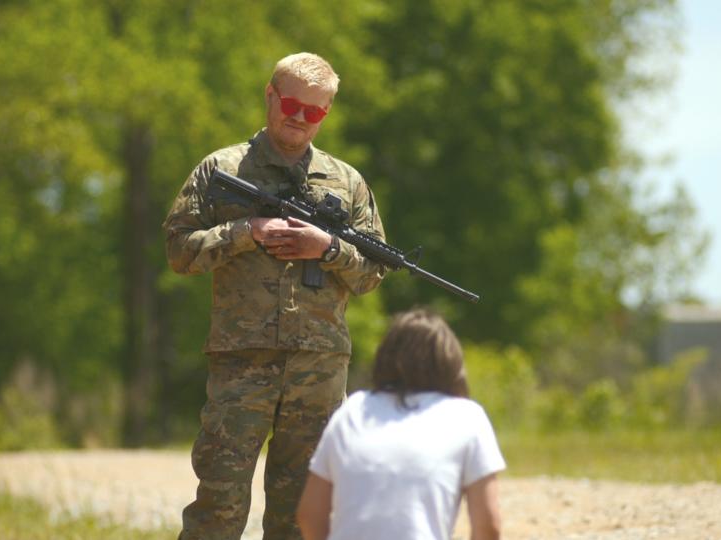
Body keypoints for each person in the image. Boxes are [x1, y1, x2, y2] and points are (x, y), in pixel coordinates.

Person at [163, 52, 388, 540]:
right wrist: (246, 232)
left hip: (318, 370)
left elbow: (374, 273)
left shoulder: (348, 183)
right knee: (218, 505)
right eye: (291, 104)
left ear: (326, 113)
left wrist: (327, 247)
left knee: (303, 514)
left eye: (315, 112)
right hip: (242, 363)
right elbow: (179, 252)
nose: (300, 119)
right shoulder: (219, 169)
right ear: (270, 96)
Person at [296, 309, 506, 540]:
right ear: (451, 364)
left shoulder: (353, 410)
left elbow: (309, 514)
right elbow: (489, 526)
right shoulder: (467, 416)